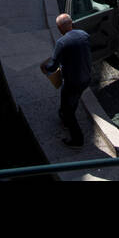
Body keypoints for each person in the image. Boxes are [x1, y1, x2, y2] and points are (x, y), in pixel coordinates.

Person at [40, 13, 92, 147]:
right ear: (72, 23)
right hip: (86, 78)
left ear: (59, 28)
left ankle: (77, 140)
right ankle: (65, 118)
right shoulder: (84, 35)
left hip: (71, 82)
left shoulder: (61, 43)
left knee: (67, 110)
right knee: (72, 99)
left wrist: (44, 66)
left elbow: (52, 66)